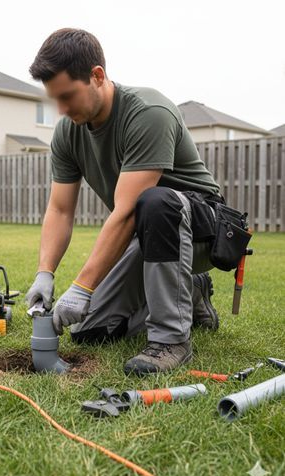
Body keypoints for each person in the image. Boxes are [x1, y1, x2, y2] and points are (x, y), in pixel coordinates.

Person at [25, 28, 225, 375]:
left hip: (202, 228)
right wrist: (45, 273)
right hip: (147, 235)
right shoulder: (68, 133)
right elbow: (59, 209)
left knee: (155, 202)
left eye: (68, 95)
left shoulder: (148, 112)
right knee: (90, 330)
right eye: (55, 98)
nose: (61, 108)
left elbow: (129, 209)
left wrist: (82, 286)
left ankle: (172, 340)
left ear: (97, 76)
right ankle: (190, 296)